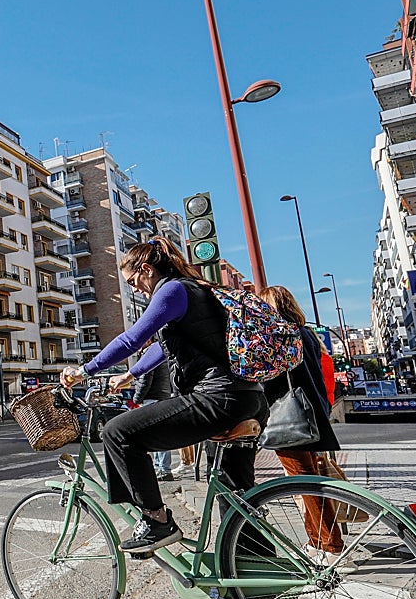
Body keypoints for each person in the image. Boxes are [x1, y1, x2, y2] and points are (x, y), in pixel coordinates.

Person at [60, 237, 269, 554]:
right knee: (236, 496)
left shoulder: (171, 290)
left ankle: (156, 520)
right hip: (247, 397)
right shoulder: (195, 290)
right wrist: (130, 375)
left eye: (133, 281)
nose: (135, 289)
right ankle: (259, 587)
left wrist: (84, 370)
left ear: (146, 269)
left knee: (117, 432)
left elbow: (132, 340)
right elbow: (161, 347)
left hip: (216, 397)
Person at [258, 285, 345, 566]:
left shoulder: (279, 337)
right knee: (309, 480)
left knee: (305, 482)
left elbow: (270, 379)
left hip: (290, 418)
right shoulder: (307, 334)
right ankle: (317, 542)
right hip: (313, 414)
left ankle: (331, 547)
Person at [124, 359, 176, 481]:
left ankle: (163, 469)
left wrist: (136, 399)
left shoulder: (150, 356)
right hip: (162, 396)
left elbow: (145, 380)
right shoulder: (162, 356)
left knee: (156, 436)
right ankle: (161, 468)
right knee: (158, 435)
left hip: (152, 398)